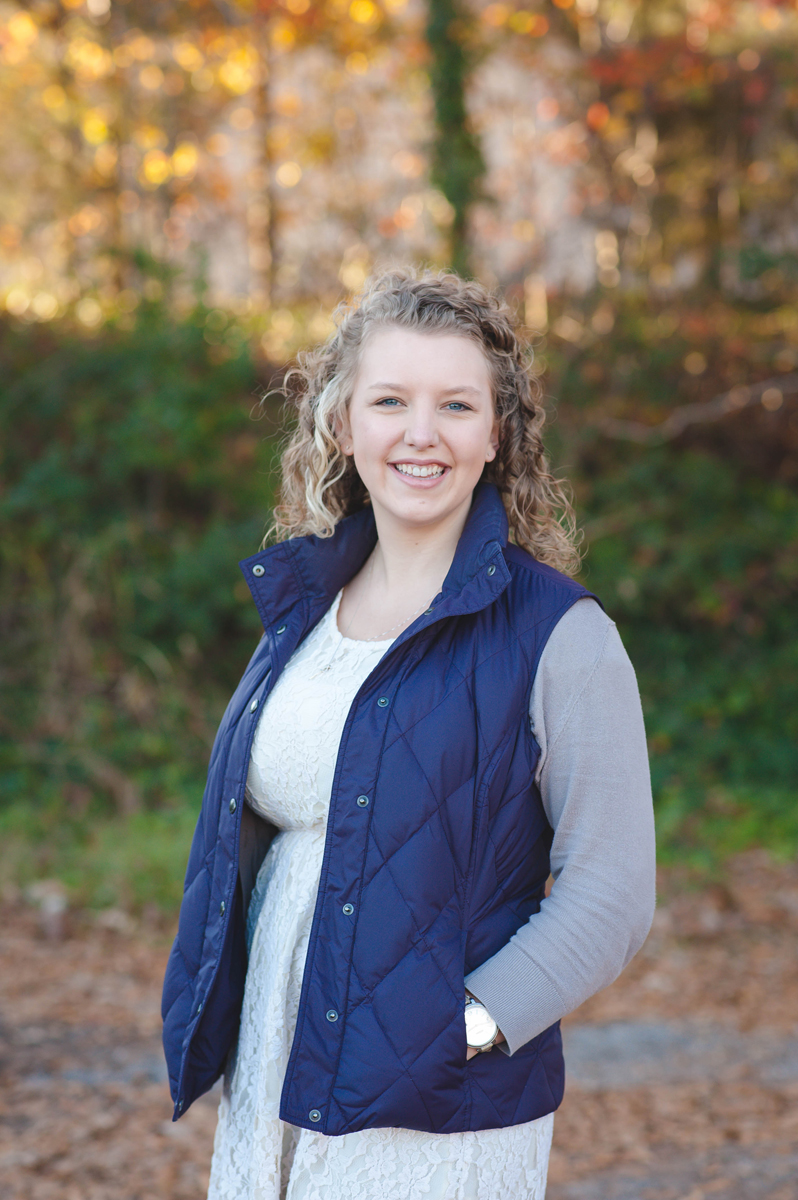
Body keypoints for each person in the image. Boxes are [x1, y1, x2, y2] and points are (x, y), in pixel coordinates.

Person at [161, 268, 656, 1200]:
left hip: (442, 1095)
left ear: (495, 434)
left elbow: (614, 891)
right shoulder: (301, 612)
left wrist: (467, 1024)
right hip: (277, 1052)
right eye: (390, 400)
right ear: (344, 423)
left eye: (456, 405)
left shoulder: (562, 636)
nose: (420, 433)